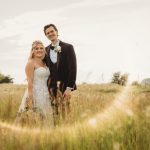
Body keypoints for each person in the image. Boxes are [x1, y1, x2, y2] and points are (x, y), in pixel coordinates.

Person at [43, 24, 77, 122]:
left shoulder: (68, 47)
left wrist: (69, 88)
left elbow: (73, 68)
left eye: (52, 31)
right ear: (46, 35)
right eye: (47, 33)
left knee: (65, 112)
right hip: (51, 87)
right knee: (54, 114)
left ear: (57, 32)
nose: (50, 34)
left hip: (65, 87)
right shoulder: (45, 50)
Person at [17, 40, 53, 126]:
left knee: (46, 118)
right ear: (33, 50)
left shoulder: (45, 63)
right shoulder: (30, 63)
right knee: (36, 118)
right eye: (36, 48)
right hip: (35, 93)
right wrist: (30, 99)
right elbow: (30, 83)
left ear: (44, 50)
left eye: (41, 48)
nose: (39, 50)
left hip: (46, 94)